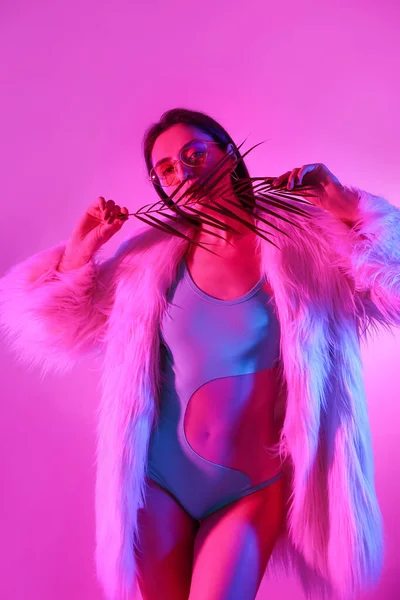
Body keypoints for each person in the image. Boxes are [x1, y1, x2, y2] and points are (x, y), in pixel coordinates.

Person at [0, 107, 399, 600]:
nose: (182, 173)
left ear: (228, 155)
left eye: (194, 155)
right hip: (159, 483)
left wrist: (344, 204)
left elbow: (391, 288)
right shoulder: (148, 258)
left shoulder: (303, 244)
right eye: (166, 168)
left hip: (251, 486)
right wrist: (83, 248)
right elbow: (56, 327)